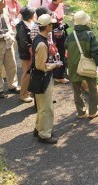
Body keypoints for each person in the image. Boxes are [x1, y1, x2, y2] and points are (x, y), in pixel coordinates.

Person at [30, 14, 61, 144]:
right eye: (51, 25)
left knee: (42, 106)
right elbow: (41, 66)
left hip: (38, 78)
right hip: (43, 78)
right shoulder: (42, 44)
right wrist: (55, 65)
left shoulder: (38, 38)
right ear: (47, 26)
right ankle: (45, 134)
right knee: (47, 108)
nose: (52, 27)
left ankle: (39, 128)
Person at [65, 11, 98, 119]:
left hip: (73, 66)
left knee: (77, 90)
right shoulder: (89, 35)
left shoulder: (70, 36)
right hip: (87, 66)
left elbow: (66, 53)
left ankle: (81, 112)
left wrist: (67, 67)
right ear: (86, 22)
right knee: (92, 88)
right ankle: (93, 111)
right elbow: (94, 51)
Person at [48, 0, 69, 84]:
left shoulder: (61, 5)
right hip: (55, 35)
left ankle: (60, 73)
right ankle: (58, 75)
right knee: (58, 54)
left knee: (63, 52)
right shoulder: (50, 8)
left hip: (62, 32)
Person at [16, 6, 35, 103]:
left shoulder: (31, 23)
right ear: (30, 16)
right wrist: (30, 48)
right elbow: (23, 42)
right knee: (27, 73)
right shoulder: (21, 27)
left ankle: (28, 91)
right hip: (27, 54)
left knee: (31, 73)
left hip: (32, 53)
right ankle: (23, 94)